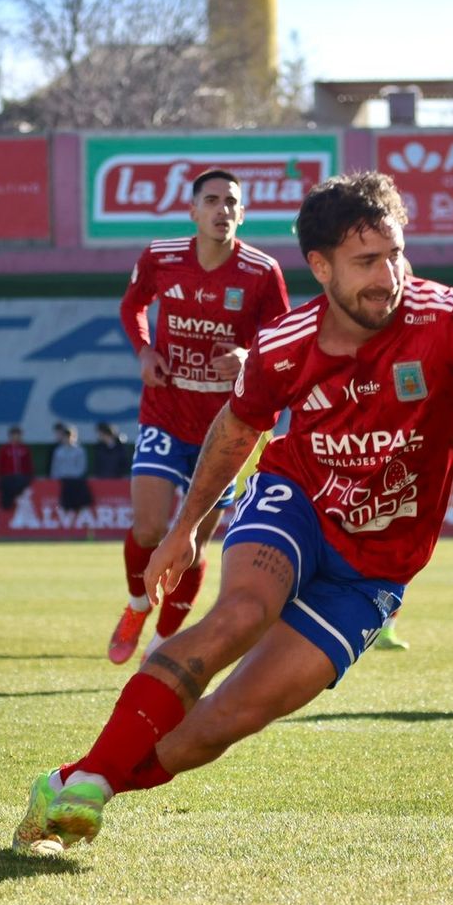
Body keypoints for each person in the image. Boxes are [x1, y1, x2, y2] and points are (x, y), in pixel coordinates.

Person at [13, 171, 453, 854]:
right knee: (238, 614)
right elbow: (236, 429)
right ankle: (91, 783)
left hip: (376, 570)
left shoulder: (450, 321)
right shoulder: (284, 343)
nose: (390, 276)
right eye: (366, 262)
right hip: (296, 501)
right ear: (320, 266)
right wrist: (185, 529)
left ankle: (68, 782)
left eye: (396, 254)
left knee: (226, 721)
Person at [107, 168, 290, 667]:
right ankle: (137, 605)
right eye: (211, 200)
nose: (221, 209)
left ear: (243, 213)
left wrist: (250, 357)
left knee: (194, 539)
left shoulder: (261, 271)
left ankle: (165, 639)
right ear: (193, 211)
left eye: (231, 201)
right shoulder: (161, 257)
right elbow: (132, 306)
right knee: (148, 529)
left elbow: (282, 340)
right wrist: (144, 350)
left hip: (227, 428)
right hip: (165, 413)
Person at [50, 422, 93, 520]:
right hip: (62, 480)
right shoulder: (58, 451)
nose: (68, 439)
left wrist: (71, 476)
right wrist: (57, 477)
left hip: (75, 481)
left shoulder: (80, 451)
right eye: (66, 436)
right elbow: (55, 467)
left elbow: (81, 467)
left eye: (70, 436)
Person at [0, 425, 34, 508]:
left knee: (21, 490)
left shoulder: (24, 448)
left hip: (22, 477)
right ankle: (7, 506)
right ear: (10, 436)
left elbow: (29, 464)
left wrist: (30, 476)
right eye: (14, 435)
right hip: (8, 477)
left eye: (18, 435)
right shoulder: (4, 449)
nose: (16, 437)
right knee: (7, 488)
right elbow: (0, 463)